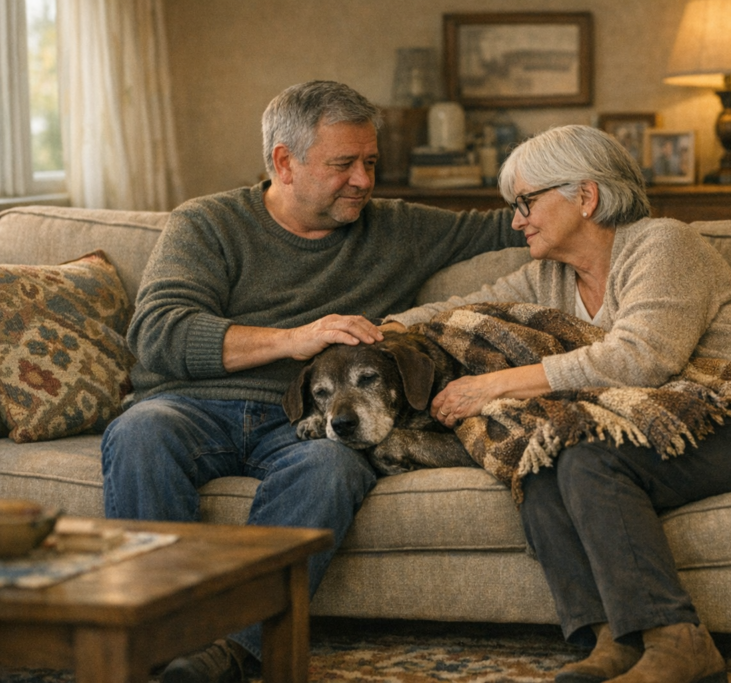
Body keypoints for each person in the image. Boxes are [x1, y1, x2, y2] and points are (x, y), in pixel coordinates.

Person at [385, 124, 731, 683]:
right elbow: (457, 309)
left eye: (525, 202)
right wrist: (377, 330)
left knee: (594, 456)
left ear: (586, 196)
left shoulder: (663, 243)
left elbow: (642, 359)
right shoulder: (548, 277)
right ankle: (612, 639)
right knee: (540, 457)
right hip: (708, 409)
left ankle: (680, 644)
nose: (516, 219)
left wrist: (495, 385)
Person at [100, 80, 525, 683]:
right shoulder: (208, 223)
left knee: (334, 466)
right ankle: (157, 647)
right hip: (192, 409)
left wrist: (593, 199)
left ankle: (226, 655)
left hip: (301, 427)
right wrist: (293, 338)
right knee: (139, 433)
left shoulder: (397, 228)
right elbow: (159, 333)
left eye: (370, 162)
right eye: (343, 164)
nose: (363, 180)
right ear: (284, 162)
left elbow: (506, 229)